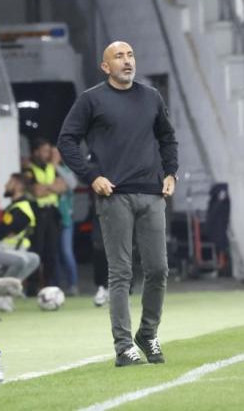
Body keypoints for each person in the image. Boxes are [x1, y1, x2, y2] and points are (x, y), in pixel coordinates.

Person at [58, 41, 178, 367]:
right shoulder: (91, 100)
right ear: (105, 67)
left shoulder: (151, 96)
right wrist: (91, 175)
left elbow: (167, 137)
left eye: (130, 55)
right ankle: (124, 346)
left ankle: (148, 334)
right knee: (121, 273)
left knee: (158, 270)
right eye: (118, 57)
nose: (127, 61)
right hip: (114, 195)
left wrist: (171, 173)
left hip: (153, 193)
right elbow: (66, 140)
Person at [24, 138, 66, 294]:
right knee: (36, 250)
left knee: (52, 251)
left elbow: (62, 187)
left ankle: (50, 286)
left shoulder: (52, 167)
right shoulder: (29, 169)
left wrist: (46, 187)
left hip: (52, 213)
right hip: (37, 213)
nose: (48, 154)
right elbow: (36, 191)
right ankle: (33, 289)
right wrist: (52, 187)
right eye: (44, 150)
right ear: (36, 152)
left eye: (49, 150)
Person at [0, 172, 40, 282]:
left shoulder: (21, 210)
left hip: (11, 250)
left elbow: (1, 231)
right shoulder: (14, 207)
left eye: (9, 183)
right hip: (7, 249)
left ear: (18, 186)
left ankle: (5, 289)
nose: (6, 186)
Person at [52, 147, 79, 296]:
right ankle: (55, 285)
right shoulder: (47, 170)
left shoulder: (66, 168)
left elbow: (72, 184)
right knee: (54, 253)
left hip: (66, 219)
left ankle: (73, 284)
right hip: (52, 218)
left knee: (66, 252)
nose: (54, 156)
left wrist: (56, 165)